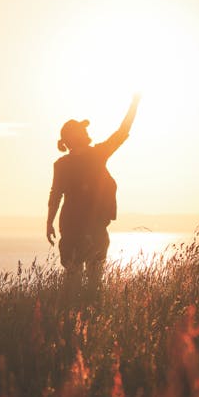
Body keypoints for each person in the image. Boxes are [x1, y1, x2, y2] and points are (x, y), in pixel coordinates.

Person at [46, 94, 140, 295]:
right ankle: (87, 317)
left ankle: (73, 319)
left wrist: (49, 224)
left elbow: (55, 196)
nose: (86, 130)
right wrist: (134, 104)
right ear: (77, 136)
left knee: (74, 281)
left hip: (72, 227)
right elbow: (122, 132)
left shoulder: (63, 165)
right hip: (91, 228)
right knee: (92, 282)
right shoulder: (96, 155)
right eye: (83, 129)